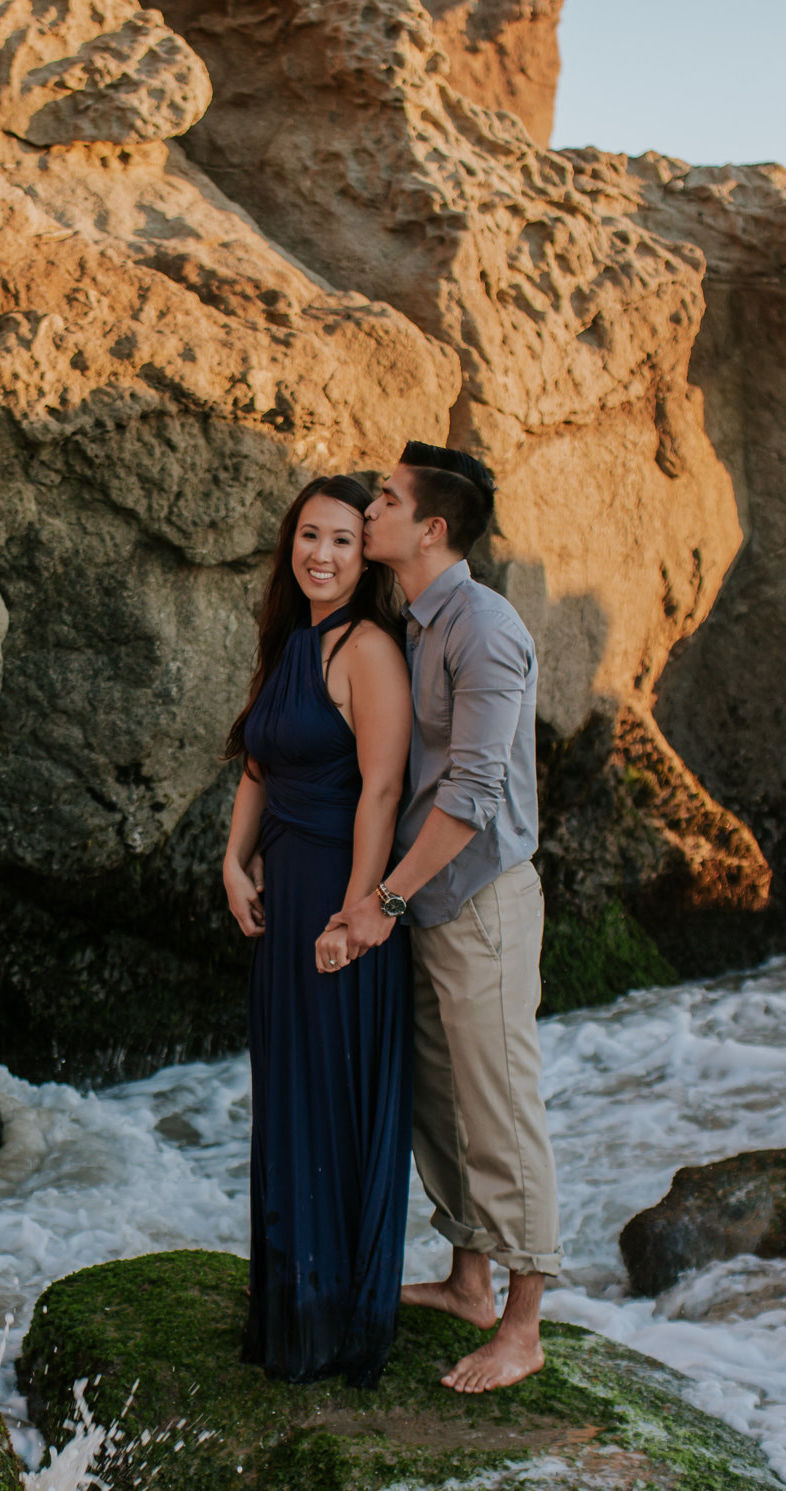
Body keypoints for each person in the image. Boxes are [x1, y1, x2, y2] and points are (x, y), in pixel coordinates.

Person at [317, 440, 553, 1395]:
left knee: (498, 1103)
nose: (368, 511)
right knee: (444, 1101)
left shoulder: (484, 628)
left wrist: (385, 900)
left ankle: (524, 1324)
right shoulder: (417, 620)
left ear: (431, 527)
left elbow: (474, 791)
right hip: (433, 903)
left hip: (481, 901)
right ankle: (468, 1280)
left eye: (384, 499)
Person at [222, 474, 417, 1388]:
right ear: (289, 544)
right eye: (309, 535)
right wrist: (233, 859)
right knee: (288, 1096)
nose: (323, 555)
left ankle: (336, 1322)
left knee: (334, 1104)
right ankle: (290, 1308)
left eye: (343, 539)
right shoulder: (291, 643)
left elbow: (381, 787)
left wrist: (358, 909)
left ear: (363, 554)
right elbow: (259, 758)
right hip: (281, 898)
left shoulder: (368, 648)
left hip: (341, 905)